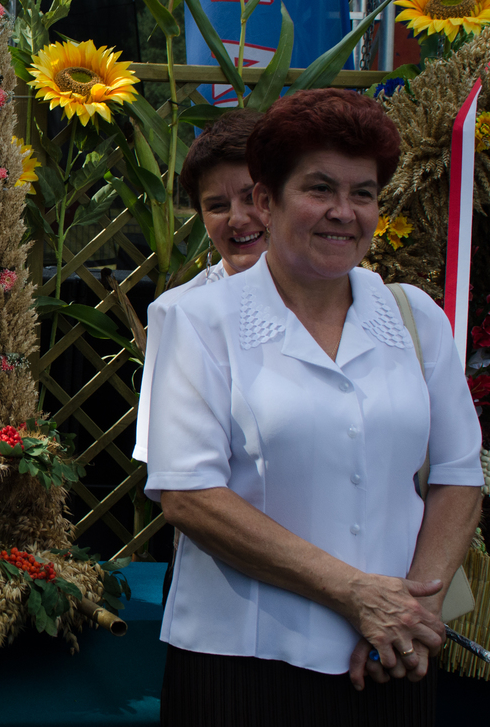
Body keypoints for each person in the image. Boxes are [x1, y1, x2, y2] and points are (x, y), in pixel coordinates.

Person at [145, 89, 485, 724]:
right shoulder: (199, 321)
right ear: (268, 201)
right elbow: (188, 495)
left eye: (364, 193)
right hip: (244, 665)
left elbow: (458, 474)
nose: (343, 212)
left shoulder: (415, 319)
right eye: (320, 189)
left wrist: (419, 609)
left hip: (392, 656)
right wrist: (355, 594)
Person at [132, 108, 265, 464]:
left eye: (251, 197)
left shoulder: (340, 297)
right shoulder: (178, 313)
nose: (237, 219)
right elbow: (170, 466)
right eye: (217, 206)